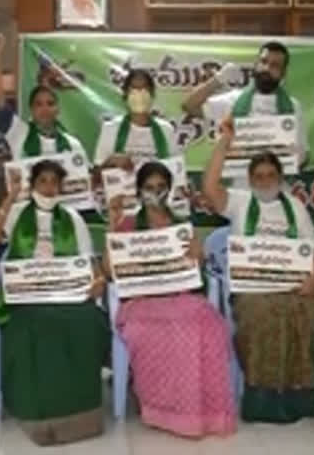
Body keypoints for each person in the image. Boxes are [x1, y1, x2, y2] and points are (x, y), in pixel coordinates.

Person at [202, 117, 314, 423]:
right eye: (258, 176)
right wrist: (225, 143)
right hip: (252, 289)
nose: (265, 180)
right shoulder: (240, 202)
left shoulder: (295, 206)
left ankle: (300, 395)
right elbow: (209, 187)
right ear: (250, 179)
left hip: (294, 285)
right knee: (261, 312)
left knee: (308, 308)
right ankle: (263, 399)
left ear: (280, 177)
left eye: (271, 175)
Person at [103, 161, 237, 438]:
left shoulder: (181, 227)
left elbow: (195, 269)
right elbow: (108, 270)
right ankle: (164, 411)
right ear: (139, 191)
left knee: (207, 325)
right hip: (141, 303)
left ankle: (205, 411)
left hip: (179, 296)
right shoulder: (127, 225)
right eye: (149, 188)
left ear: (169, 190)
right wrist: (111, 228)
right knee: (159, 330)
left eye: (161, 187)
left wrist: (196, 252)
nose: (156, 193)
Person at [0, 160, 109, 446]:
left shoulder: (73, 218)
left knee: (86, 322)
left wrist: (98, 280)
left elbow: (89, 261)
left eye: (55, 182)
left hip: (68, 294)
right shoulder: (16, 214)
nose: (49, 188)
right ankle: (35, 410)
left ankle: (80, 412)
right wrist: (11, 197)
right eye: (43, 181)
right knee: (35, 326)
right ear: (34, 184)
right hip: (25, 298)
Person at [182, 41, 308, 165]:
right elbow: (189, 106)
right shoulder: (234, 99)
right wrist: (218, 79)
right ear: (256, 64)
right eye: (263, 62)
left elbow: (304, 156)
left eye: (274, 65)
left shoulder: (293, 106)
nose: (266, 68)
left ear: (283, 73)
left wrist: (295, 155)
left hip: (274, 181)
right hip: (237, 182)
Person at [0, 33, 87, 160]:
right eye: (38, 104)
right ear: (31, 110)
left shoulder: (73, 144)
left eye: (50, 104)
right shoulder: (19, 132)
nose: (45, 109)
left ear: (58, 109)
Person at [94, 69, 180, 170]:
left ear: (152, 95)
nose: (139, 94)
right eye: (134, 89)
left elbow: (176, 171)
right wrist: (110, 162)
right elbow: (95, 176)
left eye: (144, 89)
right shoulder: (111, 128)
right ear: (125, 95)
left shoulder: (166, 130)